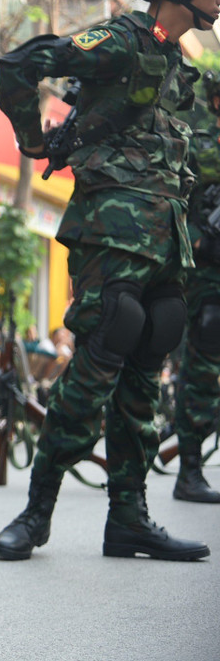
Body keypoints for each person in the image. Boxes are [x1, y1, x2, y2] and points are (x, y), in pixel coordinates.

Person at [0, 0, 219, 562]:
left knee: (151, 356)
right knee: (102, 354)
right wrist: (34, 140)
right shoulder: (120, 41)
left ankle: (129, 518)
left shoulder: (180, 65)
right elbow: (21, 63)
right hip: (111, 227)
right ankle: (36, 515)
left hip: (167, 235)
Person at [173, 69, 220, 503]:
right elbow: (175, 193)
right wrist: (197, 236)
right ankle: (190, 470)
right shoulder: (197, 137)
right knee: (202, 369)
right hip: (208, 274)